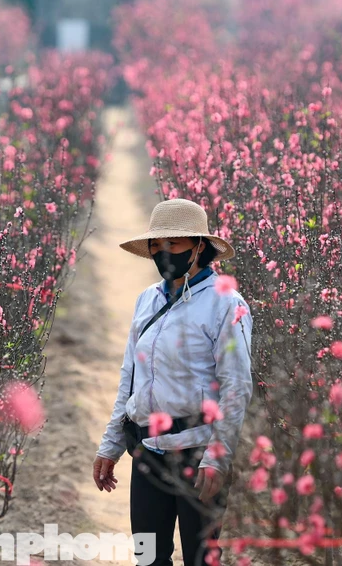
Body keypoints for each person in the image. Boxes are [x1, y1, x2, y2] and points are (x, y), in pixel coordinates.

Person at [93, 198, 254, 566]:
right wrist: (111, 445)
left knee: (201, 559)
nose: (162, 253)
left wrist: (217, 457)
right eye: (156, 246)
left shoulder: (226, 304)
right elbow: (130, 378)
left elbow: (236, 387)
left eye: (173, 244)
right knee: (148, 558)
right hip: (147, 451)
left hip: (197, 452)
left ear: (200, 245)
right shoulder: (147, 300)